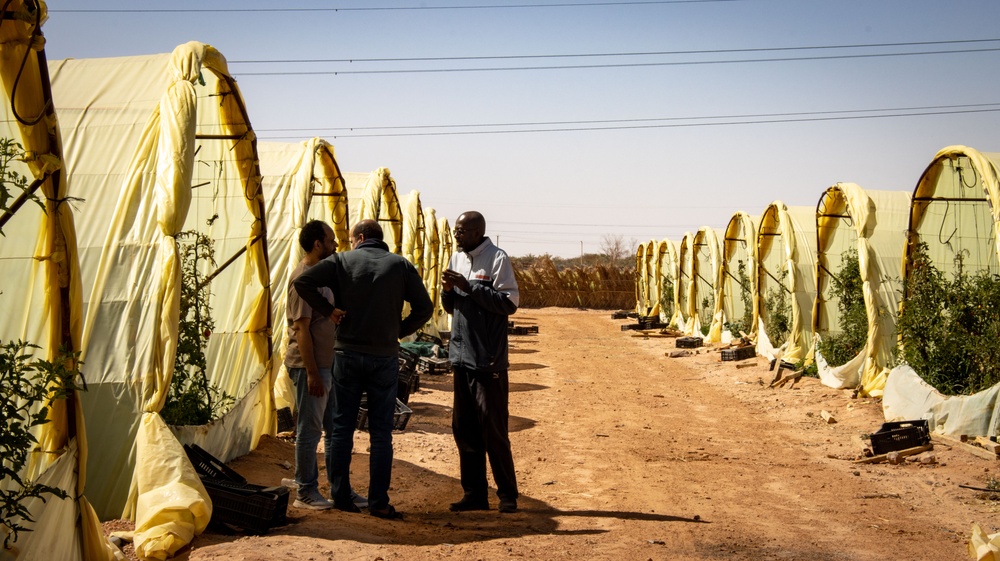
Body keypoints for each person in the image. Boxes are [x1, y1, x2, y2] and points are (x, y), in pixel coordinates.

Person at [294, 219, 433, 520]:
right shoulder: (400, 265)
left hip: (347, 355)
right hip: (383, 357)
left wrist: (329, 310)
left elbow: (302, 283)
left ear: (358, 238)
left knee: (342, 427)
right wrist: (399, 330)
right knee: (381, 432)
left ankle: (340, 495)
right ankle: (378, 502)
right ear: (380, 240)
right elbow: (425, 307)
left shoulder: (342, 261)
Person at [441, 211, 520, 514]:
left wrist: (470, 287)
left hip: (488, 360)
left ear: (476, 232)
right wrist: (449, 291)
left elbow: (509, 303)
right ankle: (474, 493)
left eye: (461, 231)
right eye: (455, 230)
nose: (456, 235)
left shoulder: (497, 258)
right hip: (462, 358)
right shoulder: (457, 258)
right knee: (465, 429)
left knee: (493, 429)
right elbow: (452, 306)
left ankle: (507, 494)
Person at [284, 220, 366, 511]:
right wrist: (311, 373)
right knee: (310, 430)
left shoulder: (323, 276)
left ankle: (340, 488)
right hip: (312, 368)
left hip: (329, 367)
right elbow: (302, 330)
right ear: (317, 244)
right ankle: (305, 491)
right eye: (331, 241)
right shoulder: (302, 280)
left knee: (335, 430)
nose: (336, 246)